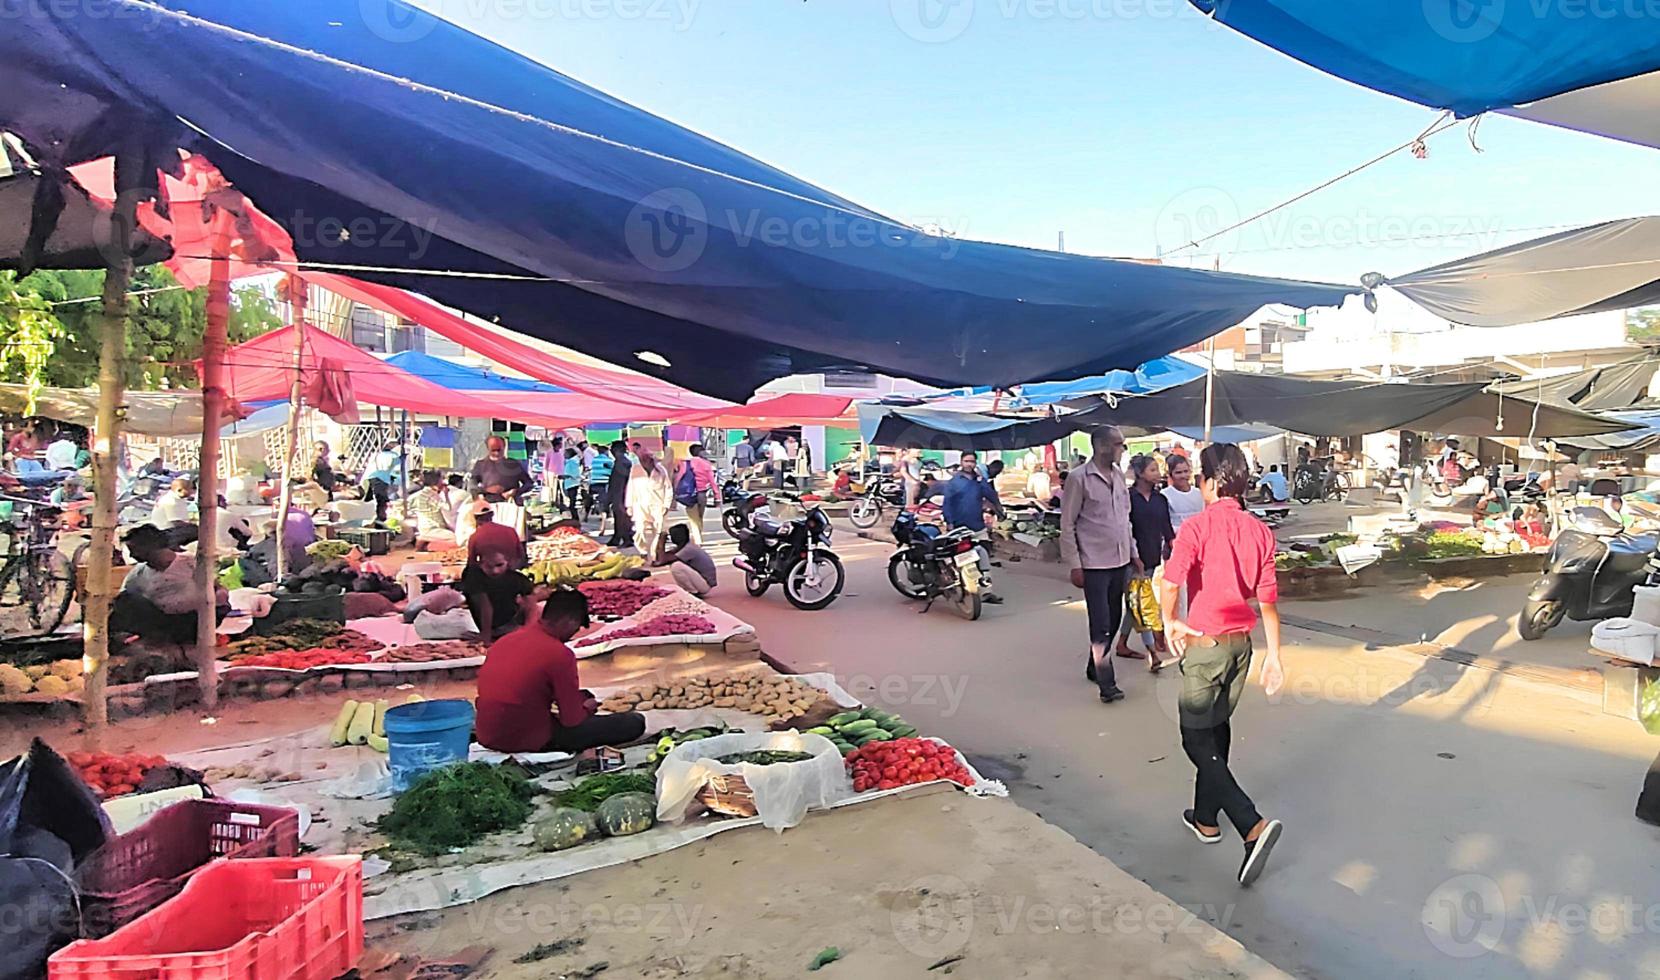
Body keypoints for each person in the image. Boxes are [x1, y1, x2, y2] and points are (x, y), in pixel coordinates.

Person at [1159, 443, 1285, 887]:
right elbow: (1267, 600)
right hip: (1241, 647)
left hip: (1207, 644)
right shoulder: (1260, 532)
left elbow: (1171, 582)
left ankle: (1250, 824)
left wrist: (1169, 621)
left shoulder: (1196, 527)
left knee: (1195, 739)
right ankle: (1206, 818)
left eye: (1199, 478)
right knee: (1216, 728)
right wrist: (1275, 656)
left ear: (1210, 483)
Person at [474, 590, 648, 754]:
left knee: (582, 694)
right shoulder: (559, 654)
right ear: (569, 621)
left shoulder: (506, 641)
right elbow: (572, 720)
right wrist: (586, 709)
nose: (575, 633)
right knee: (633, 722)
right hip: (526, 739)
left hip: (487, 733)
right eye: (577, 627)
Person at [1061, 427, 1135, 704]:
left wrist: (1134, 551)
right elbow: (1067, 524)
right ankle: (1107, 684)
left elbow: (1125, 519)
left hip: (1120, 560)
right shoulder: (1079, 479)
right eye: (1119, 444)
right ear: (1102, 446)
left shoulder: (1119, 476)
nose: (1122, 449)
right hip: (1093, 564)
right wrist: (1074, 564)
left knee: (1114, 618)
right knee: (1101, 623)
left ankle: (1095, 666)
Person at [111, 524, 227, 646]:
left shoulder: (190, 563)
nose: (131, 555)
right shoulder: (138, 572)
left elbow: (217, 589)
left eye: (133, 550)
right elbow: (123, 598)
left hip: (194, 620)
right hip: (159, 622)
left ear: (149, 546)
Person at [1119, 454, 1176, 665]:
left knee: (1136, 603)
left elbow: (1167, 528)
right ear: (1140, 473)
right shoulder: (1128, 497)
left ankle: (1122, 643)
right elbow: (1124, 528)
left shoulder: (1161, 499)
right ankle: (1152, 652)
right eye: (1152, 470)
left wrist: (1173, 545)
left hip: (1152, 557)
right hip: (1130, 558)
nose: (1157, 474)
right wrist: (1134, 556)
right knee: (1140, 604)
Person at [941, 452, 1005, 604]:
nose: (969, 464)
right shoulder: (954, 482)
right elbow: (947, 504)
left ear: (975, 463)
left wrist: (999, 508)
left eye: (972, 461)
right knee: (957, 558)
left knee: (983, 555)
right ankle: (957, 585)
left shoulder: (979, 481)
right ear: (961, 462)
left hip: (977, 525)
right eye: (966, 461)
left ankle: (986, 592)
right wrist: (949, 522)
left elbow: (990, 495)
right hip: (959, 526)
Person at [461, 524, 539, 640]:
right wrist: (486, 634)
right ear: (481, 563)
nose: (495, 571)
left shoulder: (516, 578)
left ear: (508, 562)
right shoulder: (474, 576)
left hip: (509, 626)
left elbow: (531, 604)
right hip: (491, 627)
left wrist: (528, 630)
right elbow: (484, 605)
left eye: (499, 565)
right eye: (489, 566)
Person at [470, 435, 534, 537]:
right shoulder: (481, 465)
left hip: (510, 504)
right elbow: (472, 483)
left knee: (512, 535)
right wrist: (479, 494)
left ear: (504, 448)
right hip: (489, 505)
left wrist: (515, 492)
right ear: (488, 449)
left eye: (499, 450)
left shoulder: (513, 464)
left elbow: (529, 483)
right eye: (493, 450)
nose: (496, 453)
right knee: (491, 536)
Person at [628, 448, 672, 557]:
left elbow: (668, 488)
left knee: (658, 530)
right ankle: (642, 551)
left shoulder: (661, 470)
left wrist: (666, 505)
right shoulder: (635, 470)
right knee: (640, 530)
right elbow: (630, 488)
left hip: (658, 504)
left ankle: (654, 554)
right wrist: (629, 505)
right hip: (639, 504)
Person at [654, 523, 718, 596]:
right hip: (701, 581)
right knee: (674, 565)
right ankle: (690, 590)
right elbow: (658, 560)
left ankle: (692, 591)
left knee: (676, 566)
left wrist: (662, 542)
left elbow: (661, 561)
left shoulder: (689, 549)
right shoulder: (683, 547)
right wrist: (660, 542)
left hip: (705, 584)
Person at [677, 443, 719, 544]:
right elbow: (713, 482)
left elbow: (679, 478)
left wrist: (675, 491)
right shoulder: (706, 464)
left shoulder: (686, 463)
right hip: (701, 493)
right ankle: (698, 539)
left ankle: (698, 539)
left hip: (689, 494)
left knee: (693, 518)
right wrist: (717, 497)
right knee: (699, 517)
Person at [409, 469, 460, 551]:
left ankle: (426, 543)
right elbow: (447, 508)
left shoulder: (421, 494)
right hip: (432, 528)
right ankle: (425, 542)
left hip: (425, 527)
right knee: (455, 539)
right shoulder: (432, 494)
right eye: (441, 479)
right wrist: (446, 494)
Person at [1163, 455, 1204, 533]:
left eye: (1186, 471)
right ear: (1170, 474)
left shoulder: (1199, 493)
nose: (1183, 476)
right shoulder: (1165, 495)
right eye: (1178, 473)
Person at [606, 440, 634, 547]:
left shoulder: (623, 462)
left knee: (622, 518)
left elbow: (624, 478)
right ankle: (617, 537)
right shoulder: (620, 461)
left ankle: (627, 539)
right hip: (618, 493)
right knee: (618, 517)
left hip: (621, 493)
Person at [560, 446, 584, 519]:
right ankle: (574, 517)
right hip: (571, 484)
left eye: (566, 453)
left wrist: (565, 476)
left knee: (572, 503)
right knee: (571, 502)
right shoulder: (571, 462)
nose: (564, 455)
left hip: (572, 484)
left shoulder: (572, 463)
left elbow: (574, 474)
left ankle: (575, 518)